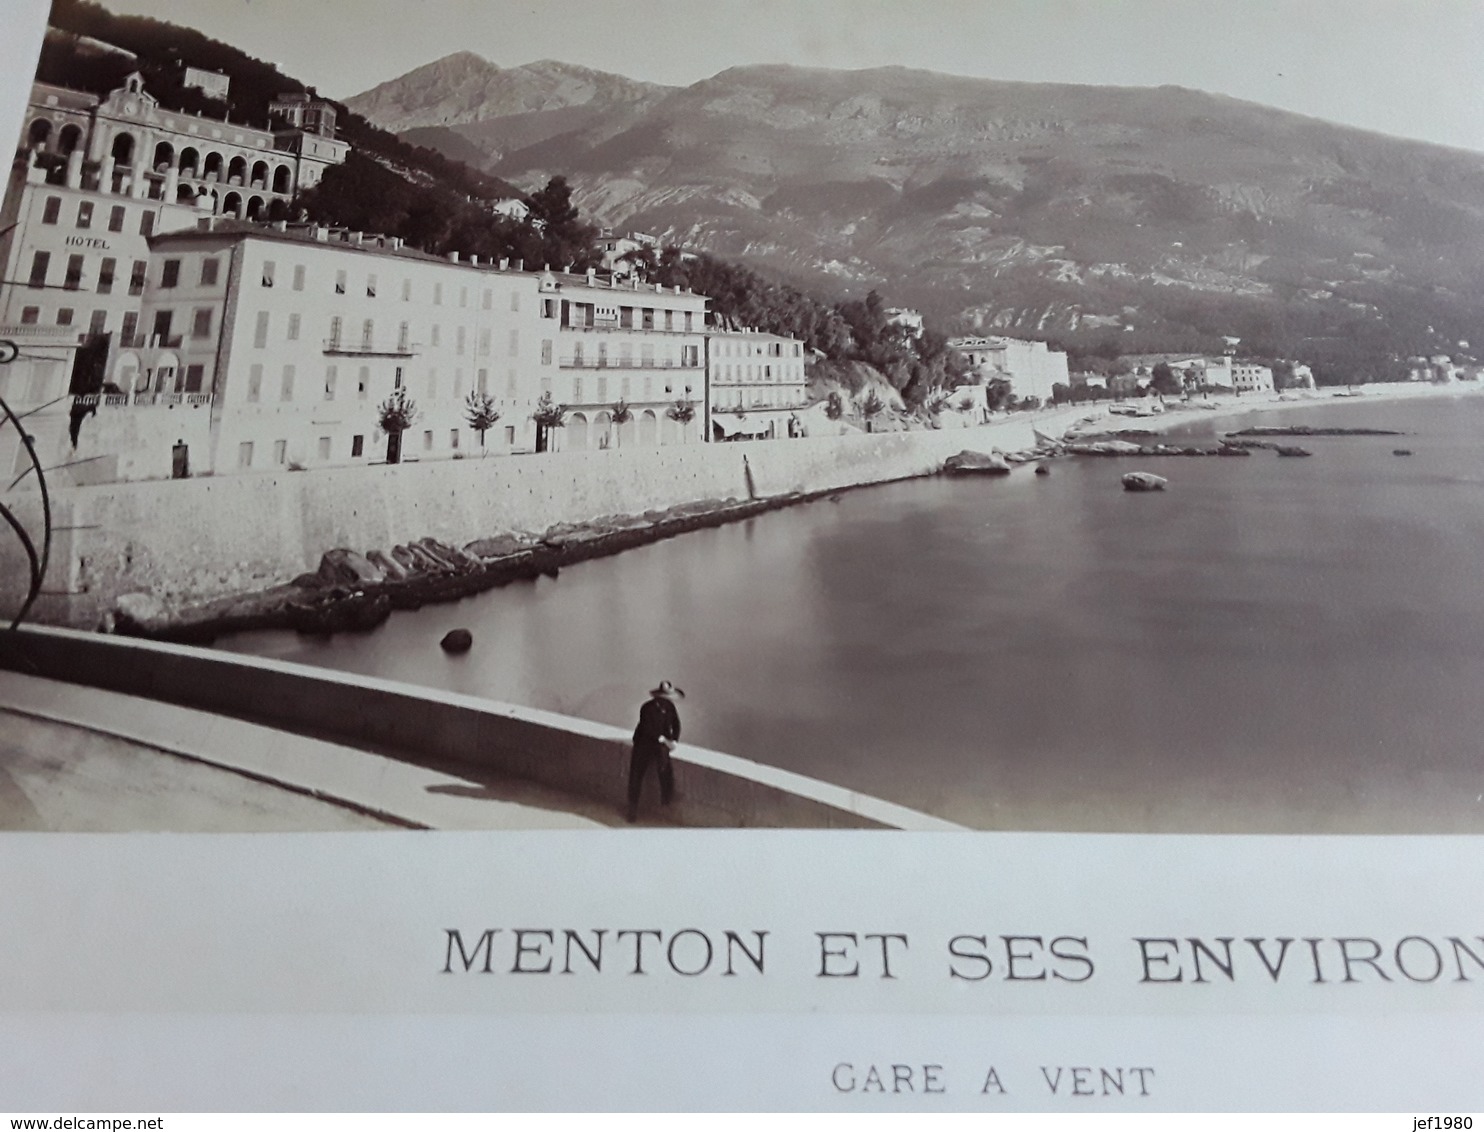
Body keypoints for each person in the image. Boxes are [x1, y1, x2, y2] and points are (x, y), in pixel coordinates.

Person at [626, 680, 683, 823]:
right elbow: (647, 729)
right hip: (643, 743)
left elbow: (676, 724)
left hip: (658, 744)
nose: (666, 699)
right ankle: (632, 809)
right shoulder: (647, 708)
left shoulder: (669, 707)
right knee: (636, 775)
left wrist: (674, 740)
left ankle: (666, 798)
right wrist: (663, 739)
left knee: (665, 767)